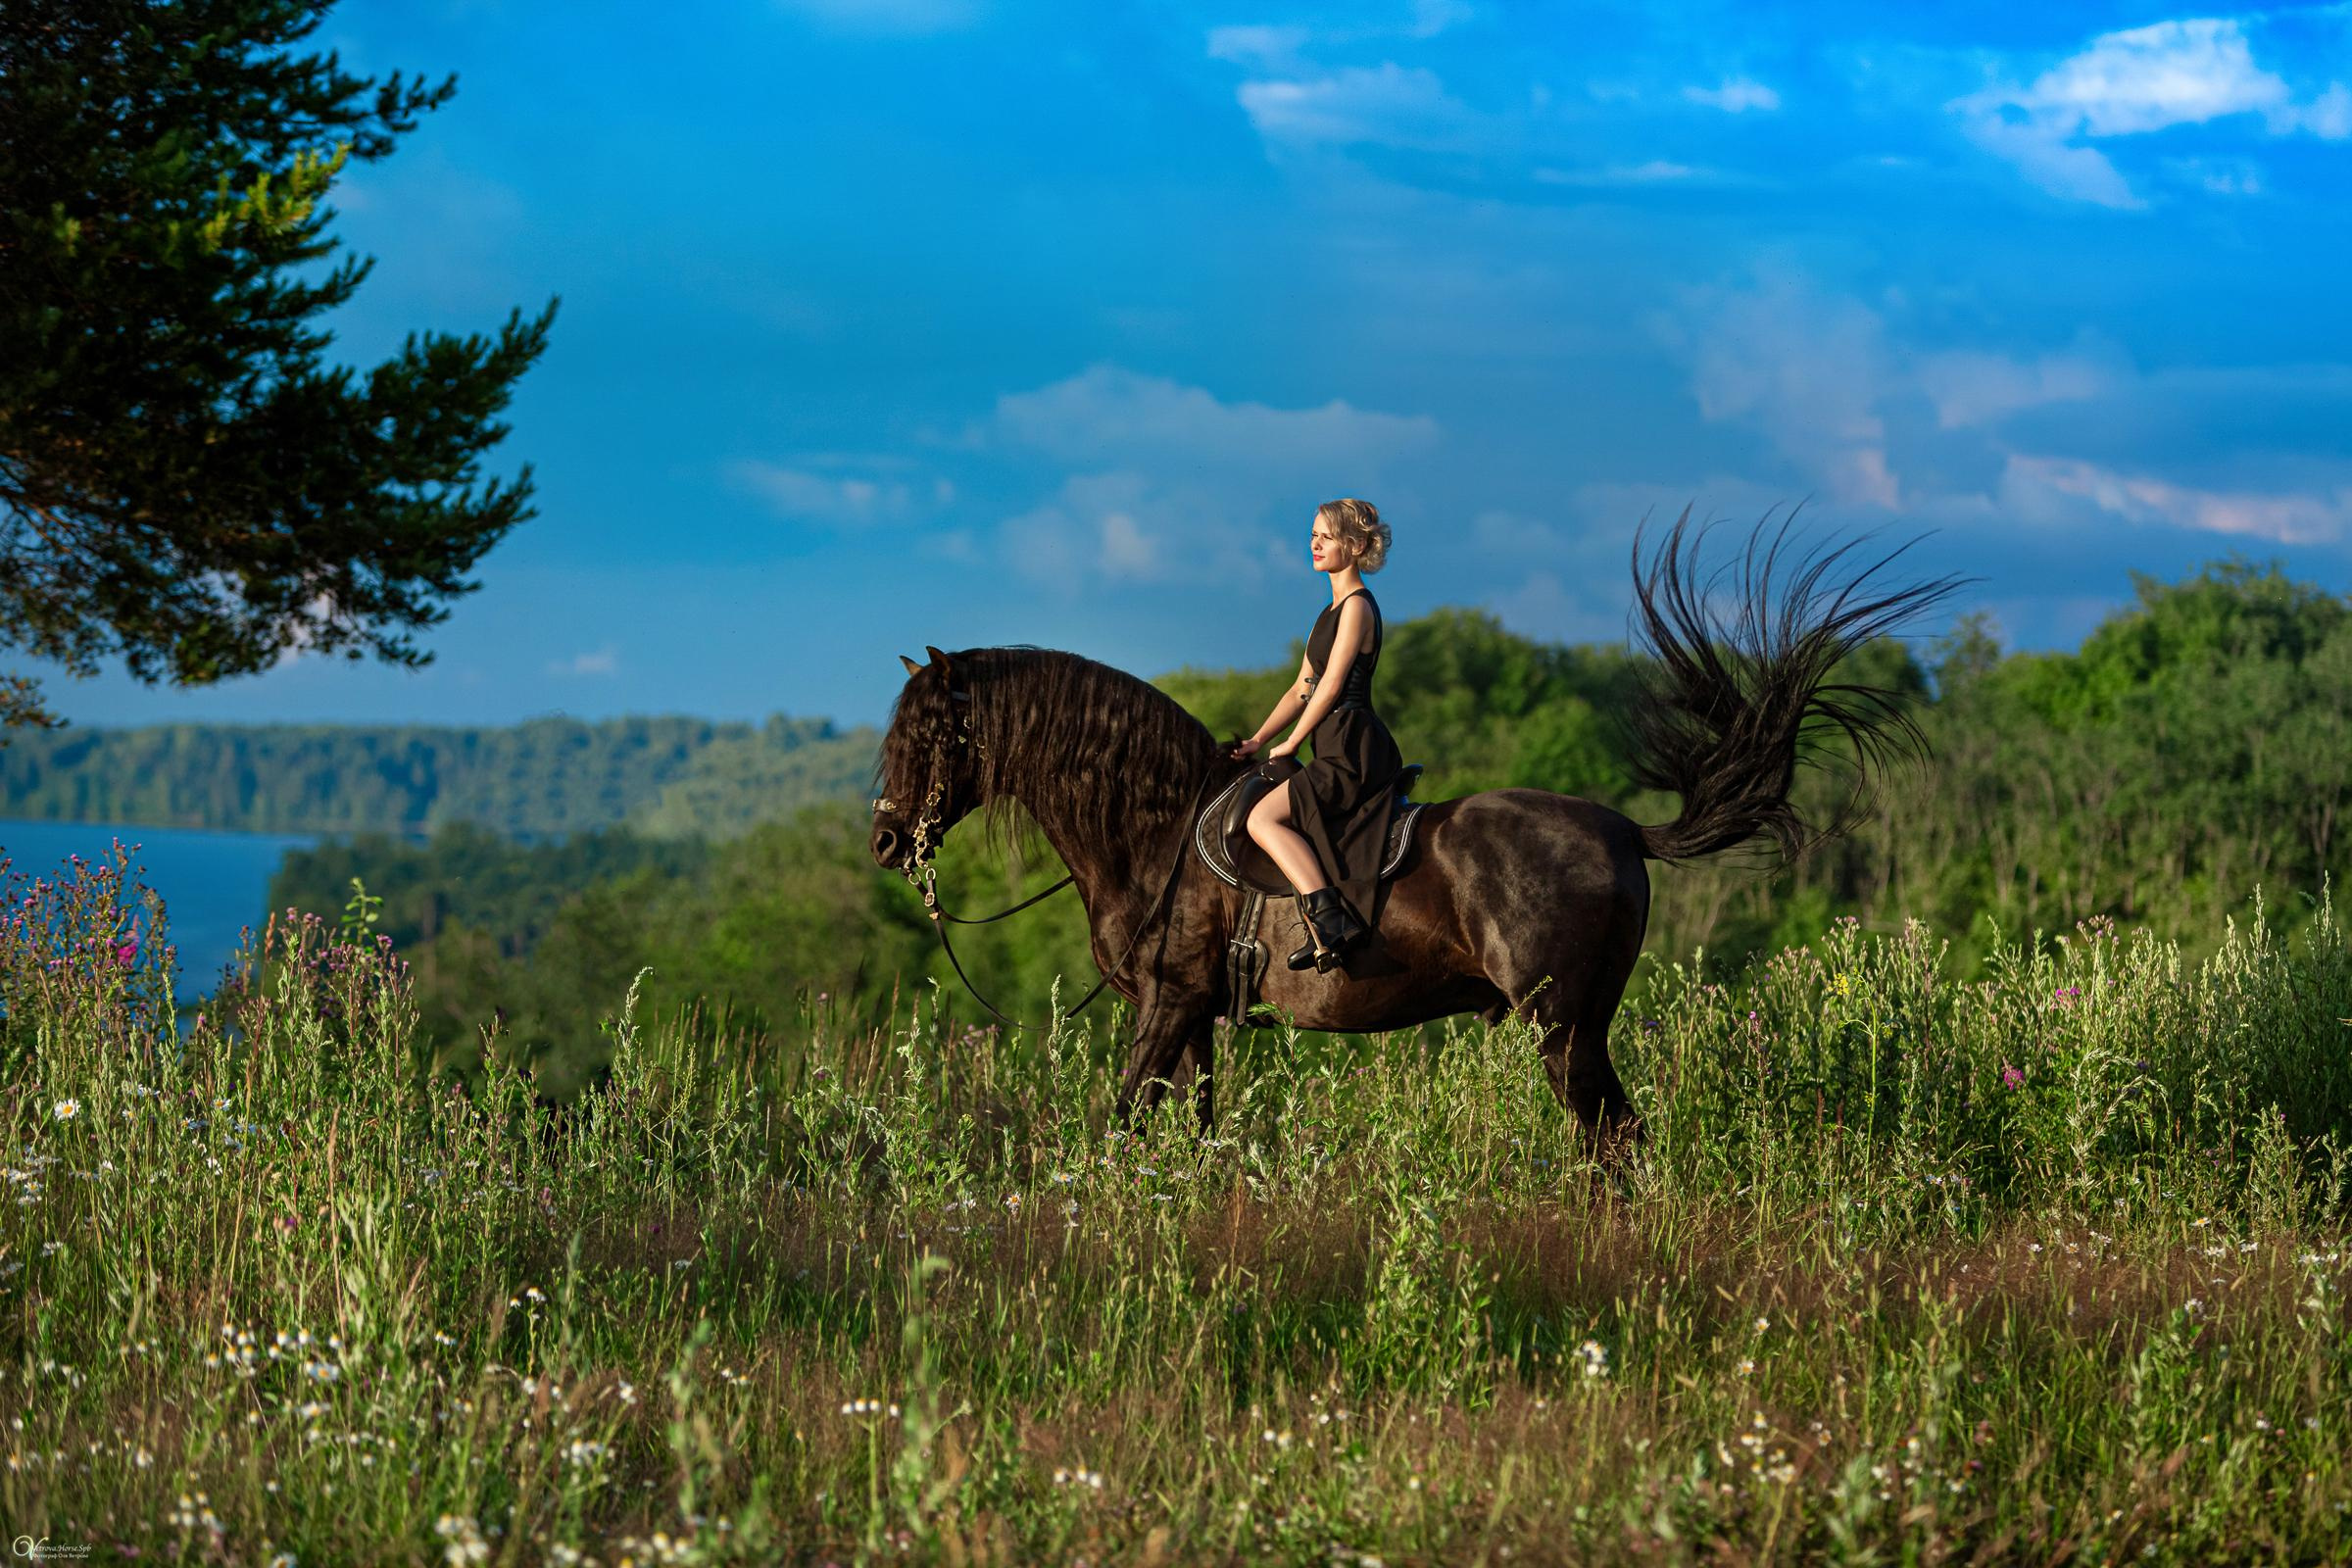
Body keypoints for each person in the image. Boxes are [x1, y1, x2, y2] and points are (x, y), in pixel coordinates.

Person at [1229, 498, 1406, 974]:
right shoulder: (1326, 613)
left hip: (1352, 746)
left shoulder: (1358, 608)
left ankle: (1329, 921)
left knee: (1261, 820)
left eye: (1326, 536)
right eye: (1313, 534)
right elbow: (1301, 687)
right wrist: (1259, 739)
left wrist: (1292, 744)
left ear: (1353, 545)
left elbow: (1330, 687)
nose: (1315, 543)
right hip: (1329, 741)